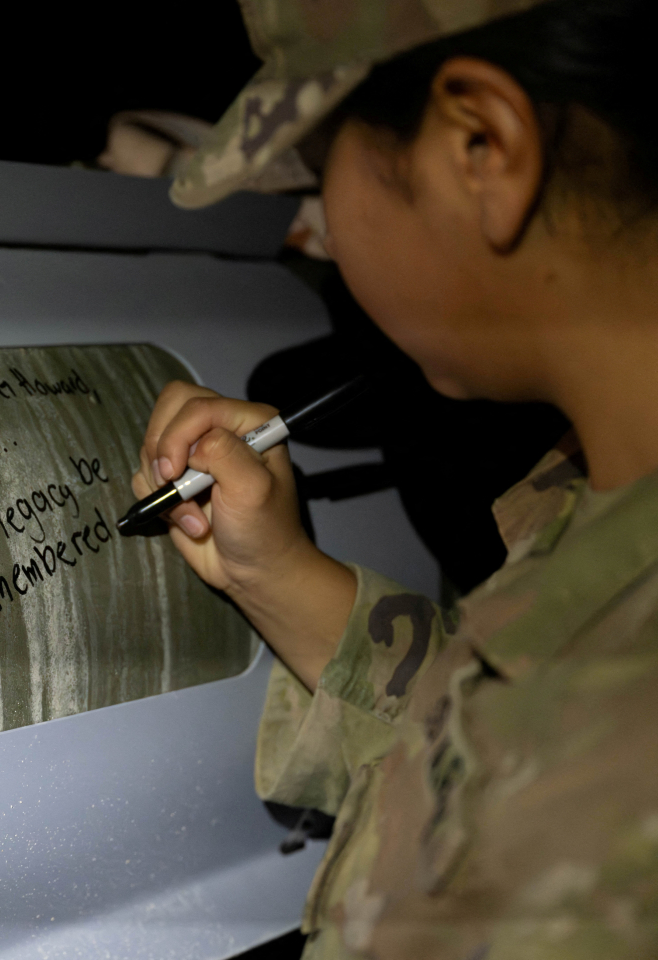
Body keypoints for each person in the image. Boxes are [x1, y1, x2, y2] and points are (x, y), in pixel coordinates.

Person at [134, 1, 658, 956]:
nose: (323, 228)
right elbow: (489, 737)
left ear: (479, 147)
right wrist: (279, 572)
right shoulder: (606, 498)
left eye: (324, 157)